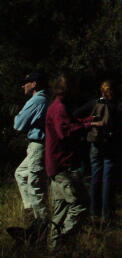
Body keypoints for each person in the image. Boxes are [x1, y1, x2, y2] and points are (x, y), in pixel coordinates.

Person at [45, 75, 99, 249]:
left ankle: (53, 247)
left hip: (56, 165)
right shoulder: (59, 108)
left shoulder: (58, 106)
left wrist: (89, 121)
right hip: (63, 166)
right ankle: (63, 240)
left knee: (60, 209)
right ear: (67, 89)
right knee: (80, 205)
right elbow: (65, 132)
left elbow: (70, 123)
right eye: (74, 88)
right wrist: (87, 126)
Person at [74, 80, 122, 223]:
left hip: (95, 142)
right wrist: (117, 126)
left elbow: (75, 114)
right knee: (108, 178)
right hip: (111, 143)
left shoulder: (94, 103)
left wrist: (88, 124)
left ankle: (94, 211)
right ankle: (107, 213)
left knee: (95, 176)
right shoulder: (117, 104)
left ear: (101, 91)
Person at [12, 72, 49, 241]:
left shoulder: (37, 100)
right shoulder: (44, 99)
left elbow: (19, 124)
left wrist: (19, 116)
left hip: (38, 145)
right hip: (37, 145)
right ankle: (33, 214)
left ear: (34, 84)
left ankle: (42, 225)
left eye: (25, 83)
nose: (23, 86)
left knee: (35, 183)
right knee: (21, 173)